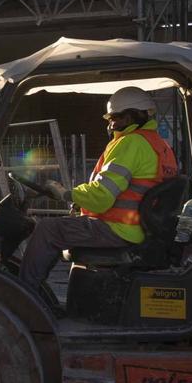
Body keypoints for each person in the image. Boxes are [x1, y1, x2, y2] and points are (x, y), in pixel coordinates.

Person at [17, 86, 180, 292]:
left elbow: (102, 196)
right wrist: (79, 202)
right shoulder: (161, 146)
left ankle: (24, 294)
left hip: (118, 230)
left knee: (48, 229)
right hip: (139, 229)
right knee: (60, 227)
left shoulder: (129, 143)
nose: (110, 125)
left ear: (130, 117)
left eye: (114, 118)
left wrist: (66, 194)